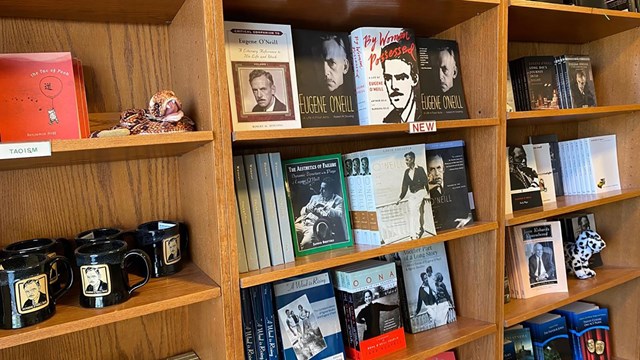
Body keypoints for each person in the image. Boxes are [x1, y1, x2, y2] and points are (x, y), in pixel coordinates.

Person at [295, 177, 344, 249]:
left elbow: (340, 214)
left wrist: (326, 208)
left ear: (331, 190)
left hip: (314, 227)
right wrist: (308, 208)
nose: (320, 191)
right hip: (302, 223)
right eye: (321, 188)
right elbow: (302, 212)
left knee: (305, 244)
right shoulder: (314, 197)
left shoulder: (338, 199)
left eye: (324, 189)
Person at [427, 153, 472, 229]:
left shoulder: (457, 184)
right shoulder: (426, 189)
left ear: (443, 169)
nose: (437, 173)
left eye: (439, 168)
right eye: (432, 169)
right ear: (428, 172)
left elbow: (471, 206)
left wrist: (468, 219)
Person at [381, 42, 419, 123]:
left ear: (414, 79)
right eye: (388, 78)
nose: (393, 86)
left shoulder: (424, 115)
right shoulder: (388, 120)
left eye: (400, 78)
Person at [397, 151, 429, 239]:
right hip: (412, 194)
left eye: (407, 160)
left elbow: (426, 182)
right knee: (412, 213)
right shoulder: (406, 172)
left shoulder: (420, 169)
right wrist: (400, 197)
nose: (406, 162)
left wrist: (428, 193)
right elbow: (404, 186)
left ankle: (417, 231)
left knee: (415, 211)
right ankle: (413, 233)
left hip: (420, 192)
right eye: (405, 160)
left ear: (413, 159)